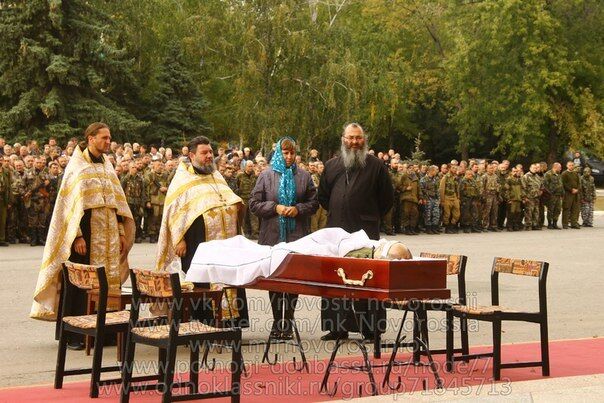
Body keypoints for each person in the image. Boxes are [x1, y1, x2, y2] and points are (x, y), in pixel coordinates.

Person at [30, 123, 135, 350]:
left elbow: (116, 205)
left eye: (110, 138)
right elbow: (69, 206)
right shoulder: (77, 166)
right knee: (80, 284)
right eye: (104, 138)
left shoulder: (107, 166)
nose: (109, 142)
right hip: (84, 237)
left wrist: (120, 233)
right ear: (90, 138)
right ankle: (74, 333)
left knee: (107, 282)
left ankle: (104, 332)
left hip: (108, 237)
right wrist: (76, 236)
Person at [155, 136, 248, 327]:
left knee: (229, 278)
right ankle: (204, 324)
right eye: (204, 153)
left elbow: (229, 198)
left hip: (226, 242)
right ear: (191, 155)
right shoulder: (182, 179)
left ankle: (231, 324)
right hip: (198, 242)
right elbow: (173, 212)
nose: (208, 156)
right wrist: (179, 239)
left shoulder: (216, 175)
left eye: (210, 152)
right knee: (203, 282)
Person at [318, 122, 394, 341]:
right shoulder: (331, 165)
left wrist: (368, 215)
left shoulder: (376, 166)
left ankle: (370, 329)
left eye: (358, 138)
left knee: (368, 280)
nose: (354, 142)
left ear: (364, 139)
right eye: (350, 138)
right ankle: (337, 327)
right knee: (334, 279)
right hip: (336, 231)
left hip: (365, 232)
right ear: (343, 139)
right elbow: (323, 196)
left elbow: (386, 199)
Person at [249, 137, 318, 339]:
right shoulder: (266, 175)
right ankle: (277, 321)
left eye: (292, 153)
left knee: (292, 279)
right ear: (278, 153)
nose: (289, 157)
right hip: (272, 235)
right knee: (275, 280)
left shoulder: (304, 176)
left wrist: (298, 209)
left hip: (296, 235)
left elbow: (314, 203)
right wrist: (275, 207)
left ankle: (288, 321)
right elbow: (253, 203)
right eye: (285, 153)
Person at [236, 160, 259, 240]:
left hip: (253, 200)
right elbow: (237, 186)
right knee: (244, 217)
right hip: (243, 199)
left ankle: (255, 233)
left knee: (254, 217)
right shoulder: (240, 176)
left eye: (252, 166)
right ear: (245, 167)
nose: (250, 168)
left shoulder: (255, 176)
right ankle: (245, 234)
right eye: (249, 166)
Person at [440, 164, 460, 233]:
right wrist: (442, 200)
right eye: (453, 168)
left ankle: (452, 225)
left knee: (457, 214)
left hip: (454, 197)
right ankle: (447, 228)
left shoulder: (456, 177)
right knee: (447, 214)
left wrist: (458, 197)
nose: (455, 169)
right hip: (447, 197)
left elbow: (457, 188)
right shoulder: (445, 177)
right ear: (449, 169)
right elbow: (442, 189)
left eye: (455, 168)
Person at [522, 163, 543, 230]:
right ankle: (528, 225)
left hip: (537, 197)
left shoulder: (537, 176)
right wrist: (524, 197)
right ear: (530, 168)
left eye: (536, 168)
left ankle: (535, 224)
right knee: (529, 211)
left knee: (536, 211)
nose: (535, 169)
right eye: (533, 168)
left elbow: (541, 185)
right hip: (529, 197)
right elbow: (523, 187)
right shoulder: (526, 176)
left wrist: (541, 191)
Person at [542, 162, 563, 229]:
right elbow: (545, 185)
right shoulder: (548, 174)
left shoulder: (558, 175)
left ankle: (555, 223)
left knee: (558, 209)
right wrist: (549, 193)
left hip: (558, 195)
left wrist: (562, 193)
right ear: (555, 167)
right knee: (551, 210)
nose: (560, 169)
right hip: (551, 195)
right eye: (560, 167)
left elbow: (561, 185)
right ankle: (550, 223)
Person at [561, 161, 581, 229]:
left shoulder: (575, 174)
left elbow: (579, 183)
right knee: (566, 209)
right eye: (570, 165)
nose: (571, 166)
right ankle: (565, 224)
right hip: (568, 194)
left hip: (575, 194)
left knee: (575, 209)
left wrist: (577, 189)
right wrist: (571, 189)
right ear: (567, 166)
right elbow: (563, 184)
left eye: (572, 165)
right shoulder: (564, 174)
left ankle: (574, 223)